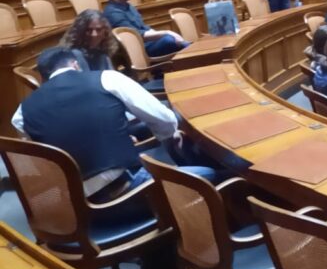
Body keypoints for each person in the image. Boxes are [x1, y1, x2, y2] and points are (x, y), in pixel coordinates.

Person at [12, 48, 220, 223]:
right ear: (75, 65)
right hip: (131, 193)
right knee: (209, 174)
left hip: (80, 211)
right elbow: (166, 120)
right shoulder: (106, 79)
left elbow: (43, 165)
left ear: (43, 77)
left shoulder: (21, 113)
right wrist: (168, 137)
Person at [103, 0, 188, 57]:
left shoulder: (129, 6)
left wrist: (161, 34)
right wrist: (167, 32)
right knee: (169, 39)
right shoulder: (112, 13)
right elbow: (136, 35)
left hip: (146, 43)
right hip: (138, 50)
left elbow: (143, 27)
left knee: (173, 40)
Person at [59, 9, 129, 72]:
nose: (94, 34)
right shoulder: (73, 55)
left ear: (105, 31)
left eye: (98, 30)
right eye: (88, 30)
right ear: (80, 31)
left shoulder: (103, 54)